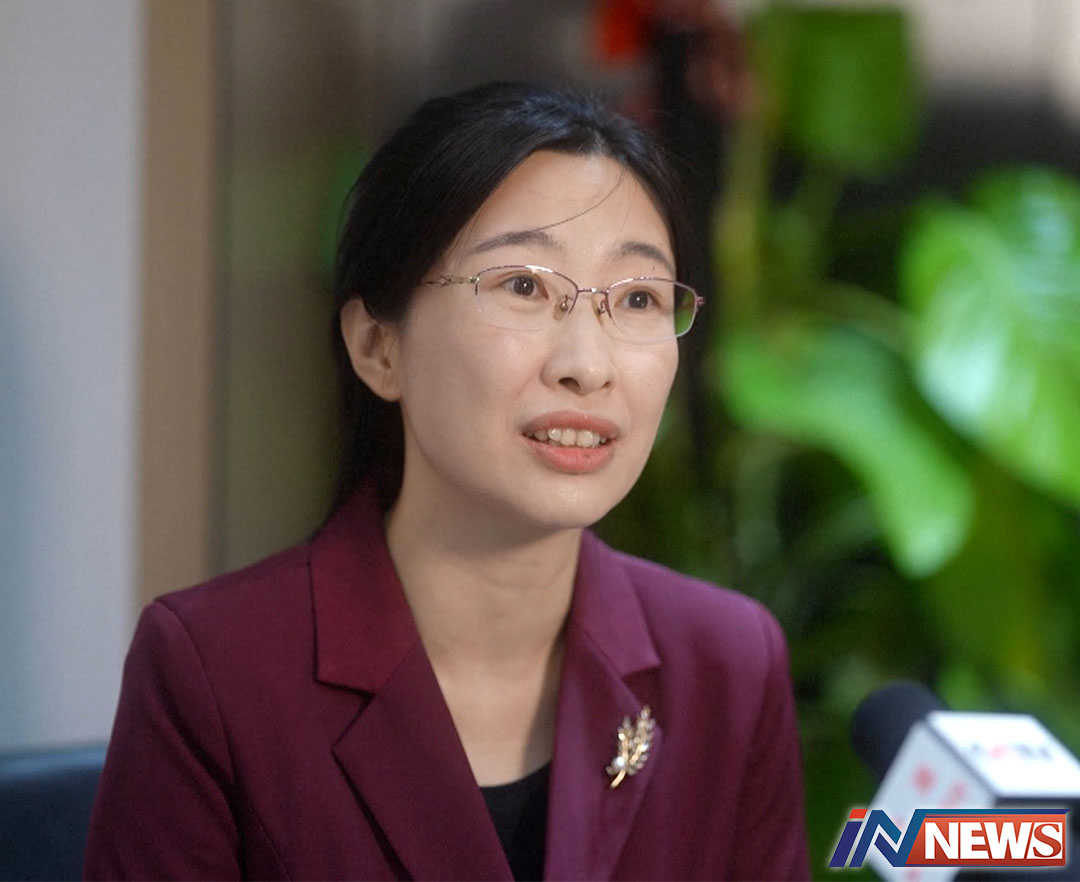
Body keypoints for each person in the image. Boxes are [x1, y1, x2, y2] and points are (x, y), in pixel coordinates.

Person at [84, 81, 809, 881]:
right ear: (377, 348)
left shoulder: (727, 666)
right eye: (524, 287)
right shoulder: (215, 672)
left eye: (638, 298)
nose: (587, 365)